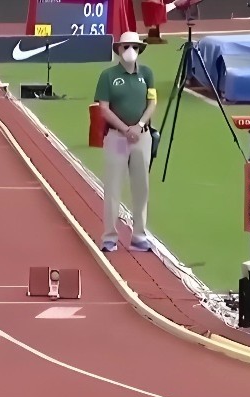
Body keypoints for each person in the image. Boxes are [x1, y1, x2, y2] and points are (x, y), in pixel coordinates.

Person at [94, 31, 156, 254]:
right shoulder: (108, 75)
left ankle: (139, 235)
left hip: (141, 137)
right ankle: (110, 236)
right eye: (126, 46)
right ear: (119, 49)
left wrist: (139, 125)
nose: (131, 51)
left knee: (141, 186)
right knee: (113, 185)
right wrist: (124, 129)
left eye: (135, 47)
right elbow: (103, 108)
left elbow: (152, 102)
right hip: (118, 138)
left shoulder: (146, 73)